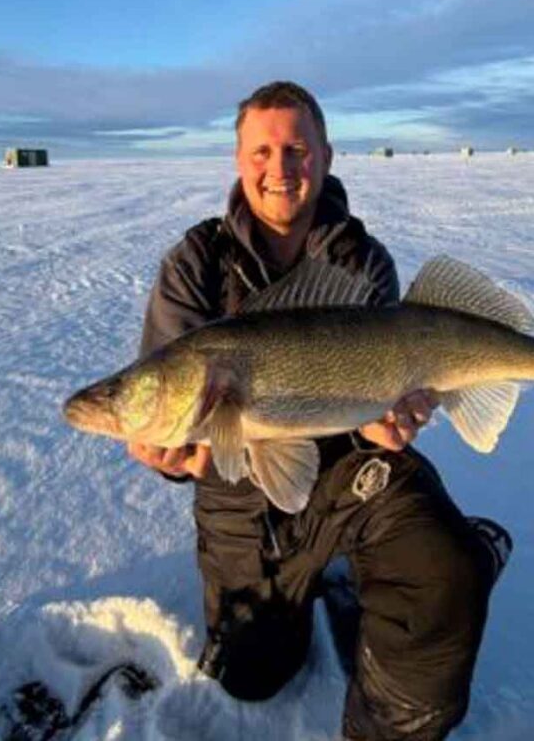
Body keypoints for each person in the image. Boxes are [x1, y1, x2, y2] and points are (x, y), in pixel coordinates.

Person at [129, 81, 510, 740]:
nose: (281, 169)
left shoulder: (363, 263)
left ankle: (458, 558)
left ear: (326, 156)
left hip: (349, 466)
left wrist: (390, 418)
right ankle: (313, 580)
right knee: (251, 673)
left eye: (298, 149)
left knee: (443, 572)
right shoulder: (194, 264)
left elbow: (382, 399)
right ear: (239, 157)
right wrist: (168, 456)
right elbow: (168, 400)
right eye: (263, 151)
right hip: (240, 484)